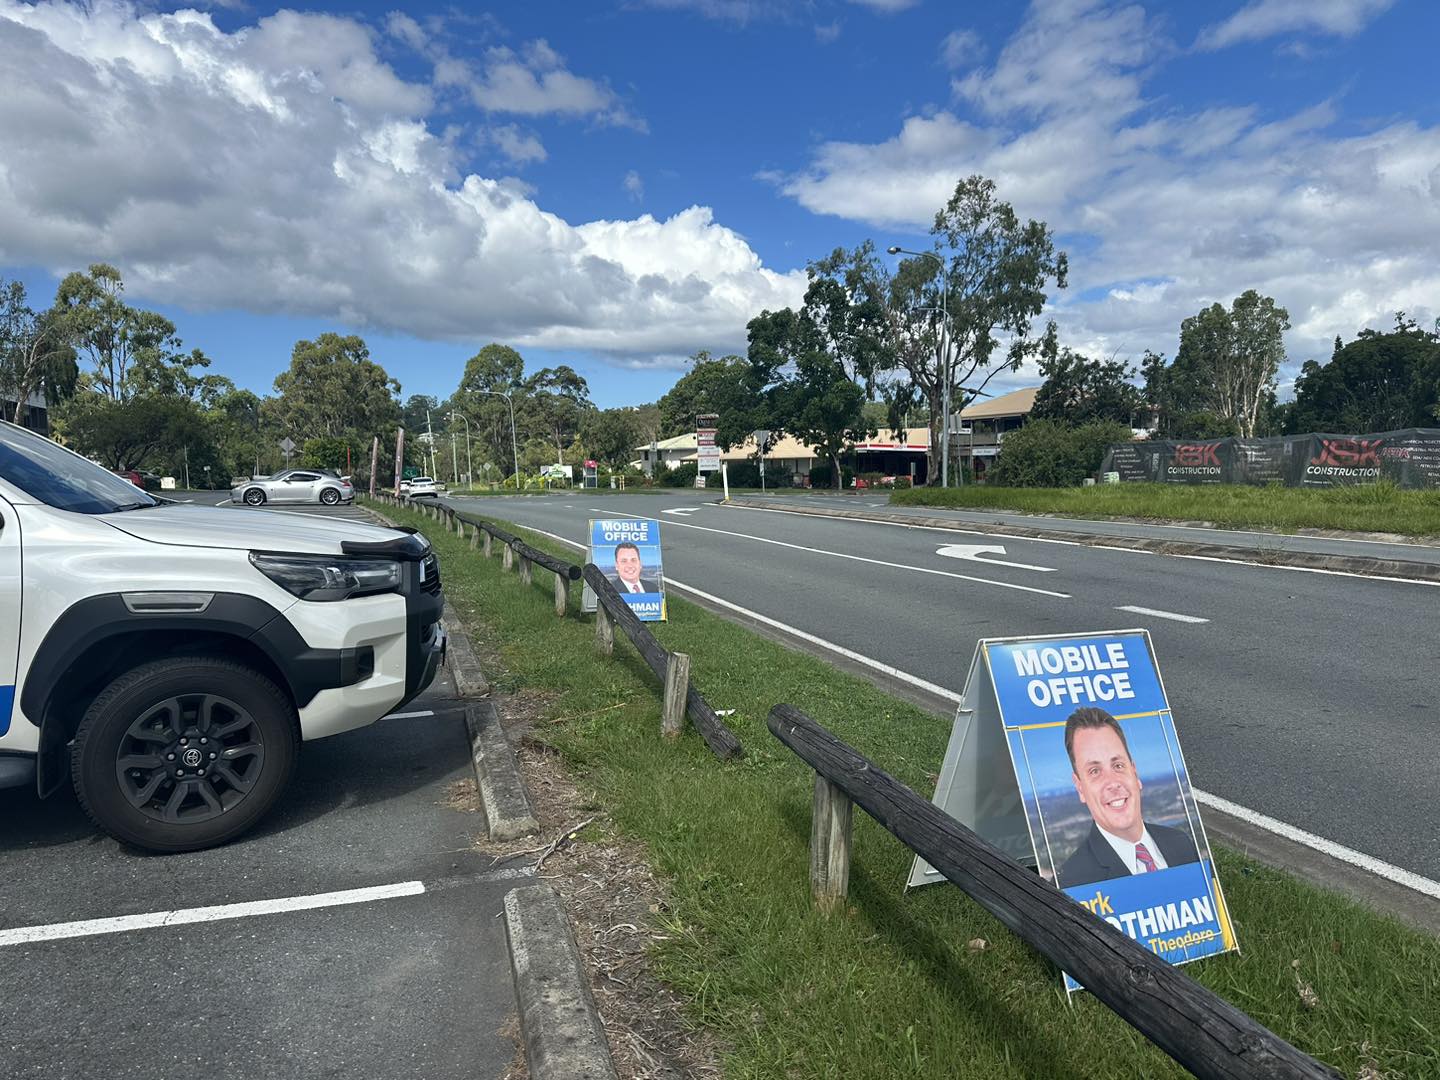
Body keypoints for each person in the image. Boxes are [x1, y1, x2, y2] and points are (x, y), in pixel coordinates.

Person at [1057, 707, 1199, 889]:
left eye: (1118, 765)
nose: (1112, 782)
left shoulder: (1181, 843)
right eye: (1094, 771)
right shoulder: (1072, 881)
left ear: (1134, 772)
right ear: (1080, 788)